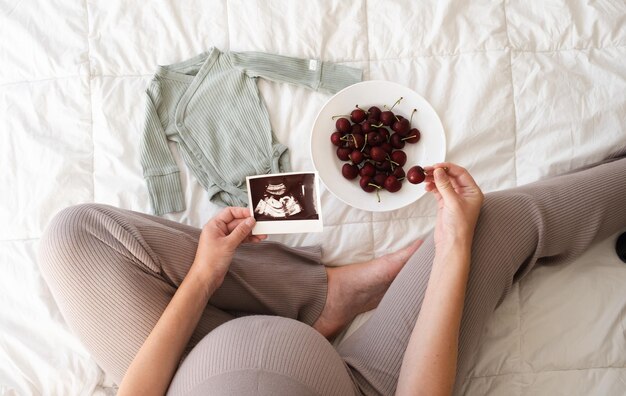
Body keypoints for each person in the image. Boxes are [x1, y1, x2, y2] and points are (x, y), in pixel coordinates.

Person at [38, 152, 626, 395]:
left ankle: (327, 292)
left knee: (74, 237)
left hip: (191, 363)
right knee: (490, 221)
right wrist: (452, 246)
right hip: (365, 385)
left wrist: (203, 278)